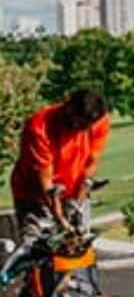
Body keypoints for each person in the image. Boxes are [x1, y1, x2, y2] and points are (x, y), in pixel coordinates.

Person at [9, 89, 110, 237]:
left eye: (86, 126)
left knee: (77, 245)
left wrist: (78, 203)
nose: (80, 129)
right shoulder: (39, 127)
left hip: (73, 193)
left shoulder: (99, 121)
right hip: (34, 196)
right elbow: (45, 180)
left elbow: (91, 163)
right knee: (37, 249)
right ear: (68, 106)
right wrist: (60, 217)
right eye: (78, 123)